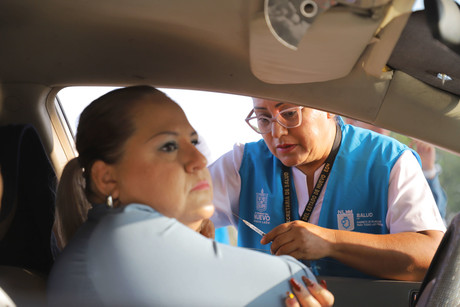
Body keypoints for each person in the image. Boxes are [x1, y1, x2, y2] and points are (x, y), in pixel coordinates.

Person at [47, 86, 333, 306]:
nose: (197, 159)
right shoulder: (124, 247)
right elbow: (294, 281)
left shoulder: (101, 244)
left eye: (193, 141)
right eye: (169, 146)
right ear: (106, 178)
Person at [209, 98, 446, 281]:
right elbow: (176, 214)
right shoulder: (242, 164)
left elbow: (431, 255)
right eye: (263, 119)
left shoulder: (388, 160)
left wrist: (331, 242)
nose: (277, 132)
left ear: (329, 106)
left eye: (290, 114)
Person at [345, 119, 448, 222]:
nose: (382, 131)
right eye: (374, 122)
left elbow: (434, 221)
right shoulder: (339, 165)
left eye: (385, 126)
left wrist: (426, 171)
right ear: (350, 121)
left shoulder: (398, 163)